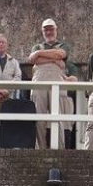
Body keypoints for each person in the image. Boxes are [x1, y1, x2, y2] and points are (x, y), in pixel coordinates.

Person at [28, 18, 74, 149]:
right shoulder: (36, 46)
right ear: (43, 31)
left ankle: (59, 149)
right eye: (46, 29)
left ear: (56, 30)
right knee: (38, 119)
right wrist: (54, 59)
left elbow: (61, 54)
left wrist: (40, 54)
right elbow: (33, 60)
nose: (49, 32)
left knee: (58, 118)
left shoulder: (63, 45)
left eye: (51, 29)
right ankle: (40, 150)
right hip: (39, 85)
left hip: (57, 85)